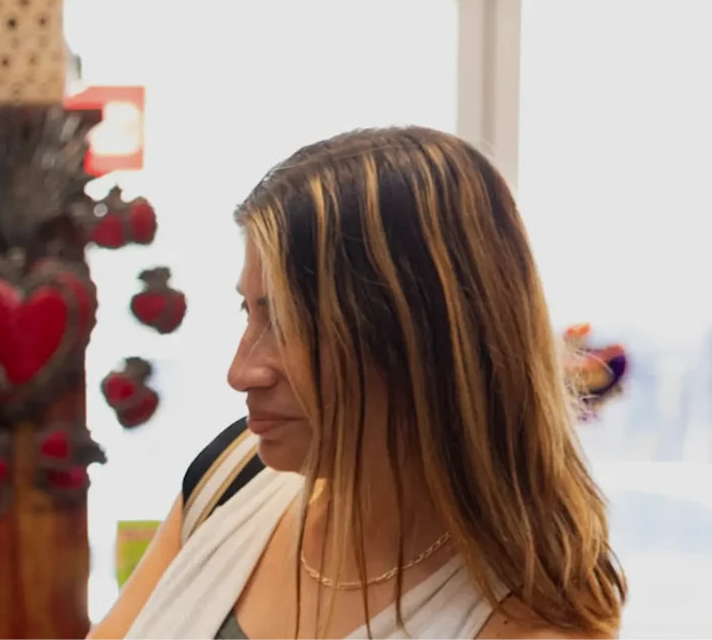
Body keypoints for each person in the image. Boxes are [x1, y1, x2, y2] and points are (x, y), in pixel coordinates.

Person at [92, 127, 625, 640]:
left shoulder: (529, 625)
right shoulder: (233, 473)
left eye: (288, 322)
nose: (241, 373)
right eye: (248, 312)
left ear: (421, 341)